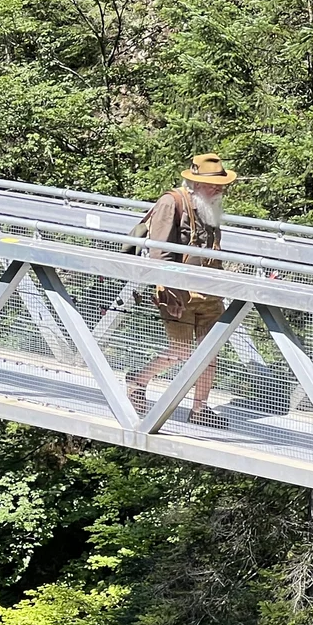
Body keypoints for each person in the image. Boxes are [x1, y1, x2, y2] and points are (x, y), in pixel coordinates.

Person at [124, 153, 238, 428]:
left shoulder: (209, 205)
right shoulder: (171, 202)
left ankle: (200, 409)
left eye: (221, 184)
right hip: (179, 291)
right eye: (214, 185)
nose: (219, 189)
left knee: (210, 352)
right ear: (196, 183)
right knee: (181, 351)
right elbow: (160, 253)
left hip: (209, 291)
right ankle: (138, 381)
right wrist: (171, 292)